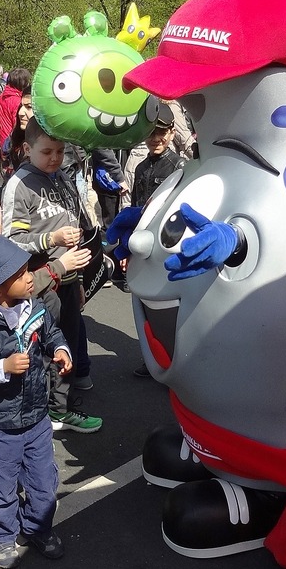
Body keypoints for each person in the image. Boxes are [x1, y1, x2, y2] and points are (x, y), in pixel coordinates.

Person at [0, 235, 72, 569]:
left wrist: (61, 350)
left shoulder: (35, 308)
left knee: (43, 479)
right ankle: (3, 535)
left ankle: (37, 528)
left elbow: (52, 334)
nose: (30, 276)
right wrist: (1, 367)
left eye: (28, 269)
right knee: (0, 483)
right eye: (20, 274)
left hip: (36, 416)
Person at [1, 117, 102, 433]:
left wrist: (82, 281)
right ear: (28, 148)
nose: (55, 158)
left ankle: (59, 408)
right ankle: (45, 412)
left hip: (70, 281)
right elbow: (11, 241)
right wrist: (52, 240)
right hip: (42, 283)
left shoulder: (62, 178)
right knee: (44, 349)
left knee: (66, 345)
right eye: (47, 152)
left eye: (60, 151)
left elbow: (79, 232)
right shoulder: (20, 184)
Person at [130, 104, 187, 377]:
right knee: (145, 305)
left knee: (168, 308)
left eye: (162, 133)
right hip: (143, 248)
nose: (156, 139)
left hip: (166, 248)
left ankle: (177, 363)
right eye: (151, 133)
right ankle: (151, 357)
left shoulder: (180, 167)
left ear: (172, 132)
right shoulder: (140, 168)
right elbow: (134, 210)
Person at [0, 67, 30, 148]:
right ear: (22, 83)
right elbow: (18, 125)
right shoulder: (17, 101)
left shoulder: (1, 96)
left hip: (2, 139)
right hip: (12, 142)